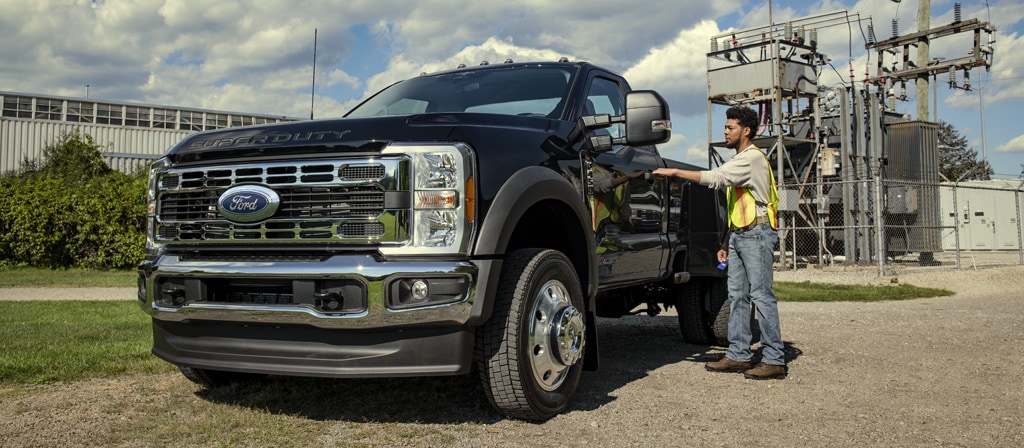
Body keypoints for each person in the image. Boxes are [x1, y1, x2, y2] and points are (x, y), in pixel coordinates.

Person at [652, 105, 786, 380]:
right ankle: (738, 355)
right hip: (741, 234)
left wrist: (675, 171)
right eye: (725, 127)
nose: (725, 132)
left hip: (756, 234)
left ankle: (774, 359)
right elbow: (736, 206)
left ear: (746, 131)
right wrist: (727, 241)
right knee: (737, 295)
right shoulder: (741, 160)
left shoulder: (751, 158)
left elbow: (716, 178)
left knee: (761, 295)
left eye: (730, 127)